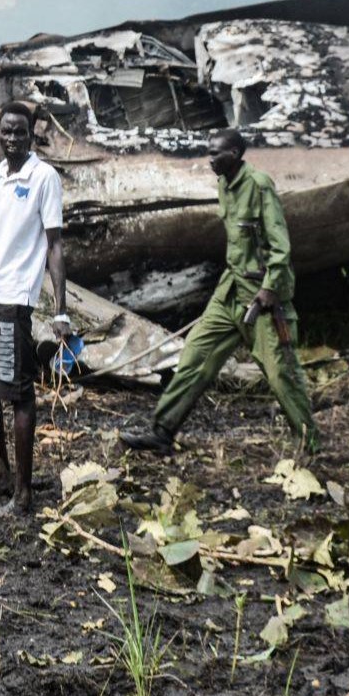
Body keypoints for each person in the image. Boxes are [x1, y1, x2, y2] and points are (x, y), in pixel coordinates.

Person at [123, 128, 319, 456]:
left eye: (218, 153)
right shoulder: (225, 185)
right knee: (194, 357)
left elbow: (279, 243)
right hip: (230, 291)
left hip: (263, 299)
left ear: (237, 154)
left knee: (280, 374)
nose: (211, 159)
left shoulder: (258, 185)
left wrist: (270, 288)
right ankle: (162, 432)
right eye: (209, 152)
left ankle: (308, 444)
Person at [0, 100, 72, 517]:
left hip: (14, 305)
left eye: (19, 132)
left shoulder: (44, 177)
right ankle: (0, 477)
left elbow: (55, 246)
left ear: (31, 134)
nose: (12, 139)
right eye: (5, 132)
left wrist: (60, 310)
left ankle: (23, 496)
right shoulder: (0, 174)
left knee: (18, 394)